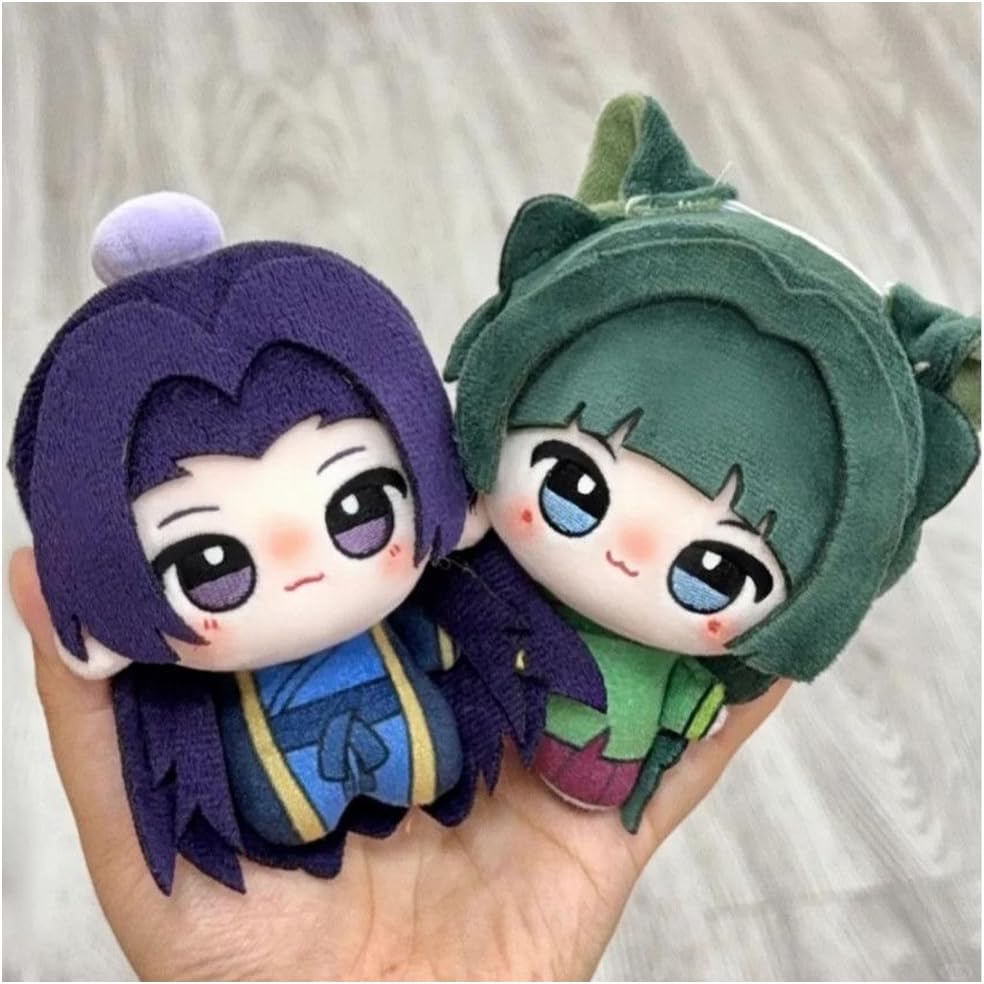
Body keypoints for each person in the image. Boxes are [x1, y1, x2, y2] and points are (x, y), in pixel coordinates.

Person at [10, 545, 787, 980]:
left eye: (356, 513)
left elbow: (434, 641)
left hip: (413, 746)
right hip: (303, 772)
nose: (299, 563)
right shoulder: (232, 669)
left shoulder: (391, 616)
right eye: (211, 560)